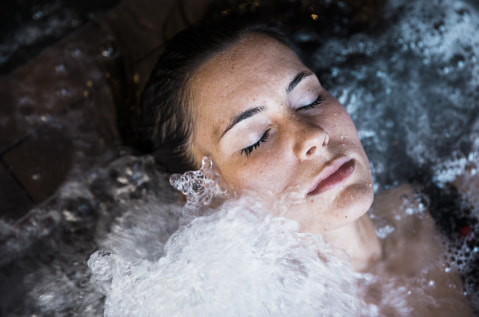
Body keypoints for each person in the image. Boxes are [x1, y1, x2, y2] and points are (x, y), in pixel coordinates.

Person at [137, 16, 474, 316]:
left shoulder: (464, 196)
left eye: (309, 99)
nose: (313, 136)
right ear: (202, 196)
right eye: (256, 138)